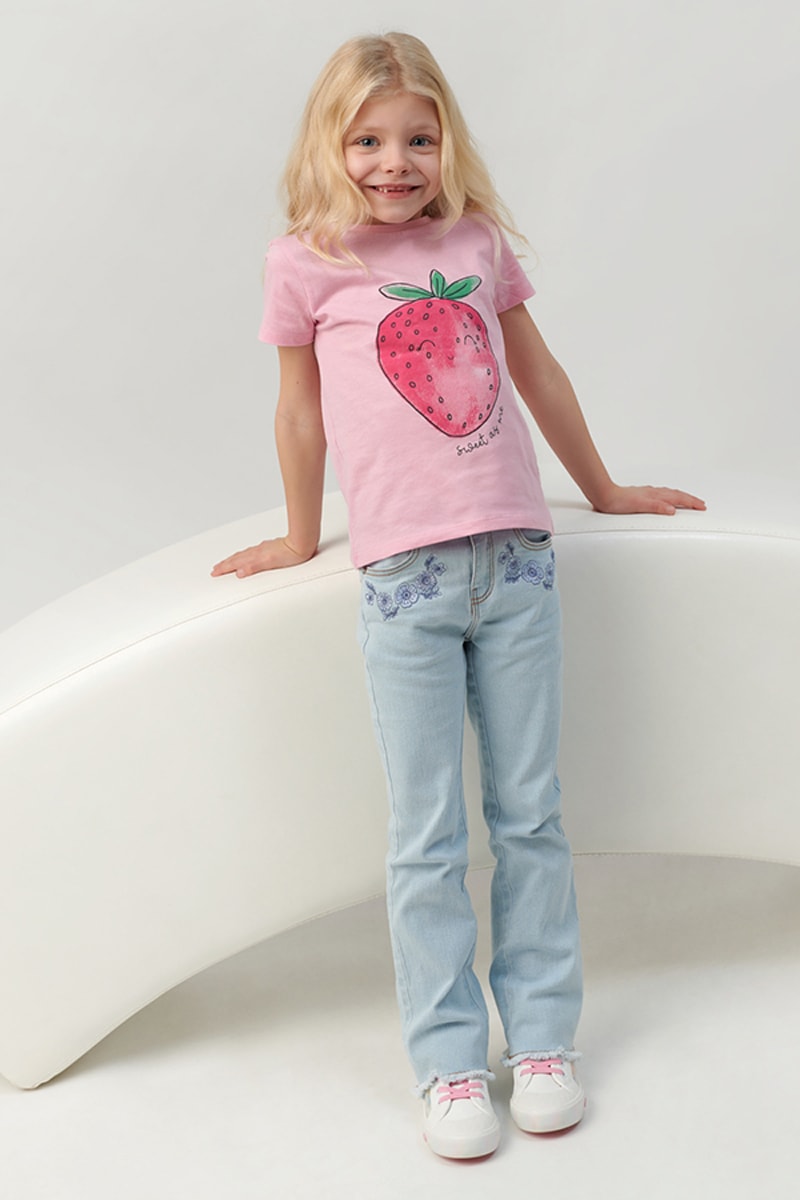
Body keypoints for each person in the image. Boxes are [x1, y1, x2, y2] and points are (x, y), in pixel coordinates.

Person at [211, 31, 705, 1160]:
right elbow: (299, 411)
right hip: (405, 583)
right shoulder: (304, 263)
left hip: (517, 567)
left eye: (418, 139)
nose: (395, 162)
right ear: (329, 145)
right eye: (368, 141)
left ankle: (543, 1040)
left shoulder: (475, 242)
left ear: (447, 145)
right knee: (427, 836)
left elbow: (537, 373)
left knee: (530, 816)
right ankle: (447, 1062)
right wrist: (300, 536)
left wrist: (604, 489)